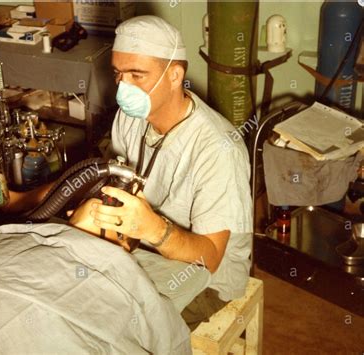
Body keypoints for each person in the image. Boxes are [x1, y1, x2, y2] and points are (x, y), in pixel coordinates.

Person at [65, 15, 253, 325]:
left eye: (137, 75)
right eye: (118, 74)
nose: (124, 87)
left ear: (175, 75)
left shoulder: (218, 151)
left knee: (119, 328)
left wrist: (153, 229)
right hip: (145, 249)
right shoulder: (130, 117)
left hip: (206, 279)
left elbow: (211, 257)